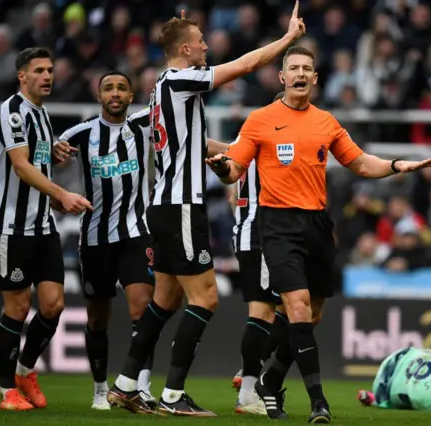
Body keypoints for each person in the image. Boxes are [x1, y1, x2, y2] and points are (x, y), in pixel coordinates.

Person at [207, 45, 431, 423]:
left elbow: (360, 163)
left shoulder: (326, 122)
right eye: (293, 68)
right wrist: (221, 169)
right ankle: (318, 402)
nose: (300, 74)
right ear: (282, 78)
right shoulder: (260, 119)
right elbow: (235, 168)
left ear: (315, 78)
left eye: (306, 69)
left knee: (311, 316)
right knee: (295, 308)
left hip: (316, 225)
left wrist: (397, 165)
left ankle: (269, 381)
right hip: (277, 224)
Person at [107, 4, 306, 417]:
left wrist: (240, 151)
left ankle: (126, 384)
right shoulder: (181, 79)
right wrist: (287, 40)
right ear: (184, 50)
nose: (205, 47)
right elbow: (242, 66)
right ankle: (174, 396)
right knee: (207, 298)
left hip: (164, 204)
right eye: (199, 42)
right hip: (180, 205)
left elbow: (196, 144)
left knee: (164, 301)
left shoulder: (163, 86)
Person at [0, 47, 92, 411]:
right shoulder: (11, 111)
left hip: (42, 223)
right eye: (39, 70)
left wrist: (54, 158)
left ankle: (25, 370)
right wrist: (63, 193)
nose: (47, 76)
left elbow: (38, 165)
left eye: (50, 70)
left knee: (54, 304)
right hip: (9, 225)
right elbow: (20, 167)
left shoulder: (42, 115)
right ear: (22, 76)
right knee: (16, 307)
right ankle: (5, 391)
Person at [52, 71, 157, 410]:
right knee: (98, 318)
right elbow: (45, 161)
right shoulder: (80, 134)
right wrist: (58, 196)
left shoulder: (144, 125)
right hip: (95, 237)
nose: (115, 93)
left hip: (136, 232)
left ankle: (140, 386)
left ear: (130, 96)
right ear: (99, 96)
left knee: (144, 308)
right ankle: (100, 389)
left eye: (122, 88)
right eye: (108, 88)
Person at [229, 92, 289, 416]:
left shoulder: (248, 138)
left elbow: (231, 188)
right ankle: (249, 392)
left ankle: (248, 372)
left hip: (255, 232)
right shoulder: (274, 138)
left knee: (286, 310)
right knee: (264, 313)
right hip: (263, 234)